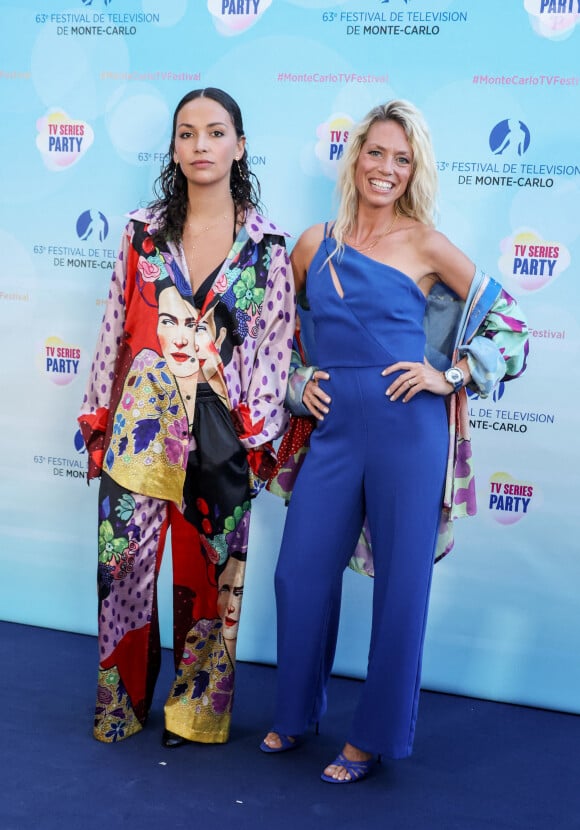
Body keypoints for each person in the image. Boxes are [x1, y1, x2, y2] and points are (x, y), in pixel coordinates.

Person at [261, 100, 529, 783]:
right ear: (355, 158)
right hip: (335, 432)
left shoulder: (428, 244)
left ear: (415, 171)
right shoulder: (315, 241)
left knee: (401, 590)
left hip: (409, 433)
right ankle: (295, 714)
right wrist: (297, 384)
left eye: (401, 159)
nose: (385, 168)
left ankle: (371, 739)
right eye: (375, 152)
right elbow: (272, 339)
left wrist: (453, 372)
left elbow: (512, 325)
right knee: (298, 576)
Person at [78, 87, 295, 746]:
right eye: (187, 133)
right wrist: (97, 415)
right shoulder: (142, 232)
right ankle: (121, 706)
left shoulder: (268, 244)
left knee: (210, 583)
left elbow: (276, 347)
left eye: (215, 132)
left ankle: (196, 714)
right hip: (138, 431)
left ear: (240, 144)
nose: (201, 145)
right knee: (122, 574)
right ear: (174, 147)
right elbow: (117, 321)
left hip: (222, 437)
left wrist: (257, 440)